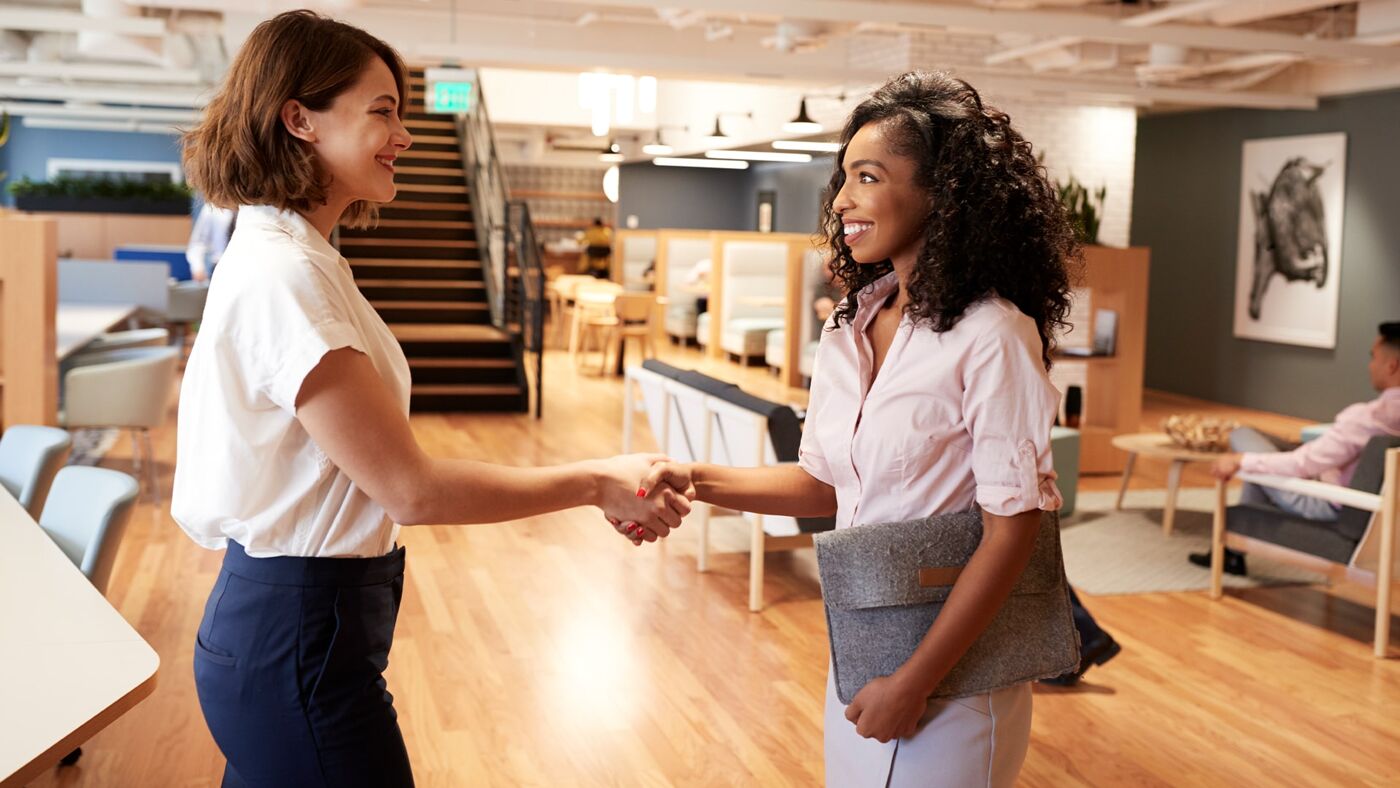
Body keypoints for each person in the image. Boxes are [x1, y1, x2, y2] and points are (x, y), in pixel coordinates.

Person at [172, 12, 689, 787]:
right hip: (297, 636)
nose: (404, 136)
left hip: (290, 629)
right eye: (383, 111)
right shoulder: (288, 276)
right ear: (299, 119)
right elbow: (409, 490)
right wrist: (594, 481)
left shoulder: (296, 256)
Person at [648, 71, 1077, 786]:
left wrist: (915, 682)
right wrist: (693, 479)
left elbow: (1014, 529)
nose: (842, 200)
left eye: (868, 176)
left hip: (953, 678)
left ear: (942, 194)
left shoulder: (994, 335)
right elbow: (824, 482)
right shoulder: (851, 324)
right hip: (863, 643)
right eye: (843, 176)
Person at [1194, 321, 1400, 575]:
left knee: (1243, 437)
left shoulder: (1368, 418)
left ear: (1392, 366)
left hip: (1326, 503)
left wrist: (1240, 461)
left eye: (1374, 358)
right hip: (1378, 513)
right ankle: (1230, 554)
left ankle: (1229, 552)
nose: (1370, 365)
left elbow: (1303, 464)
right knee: (1264, 454)